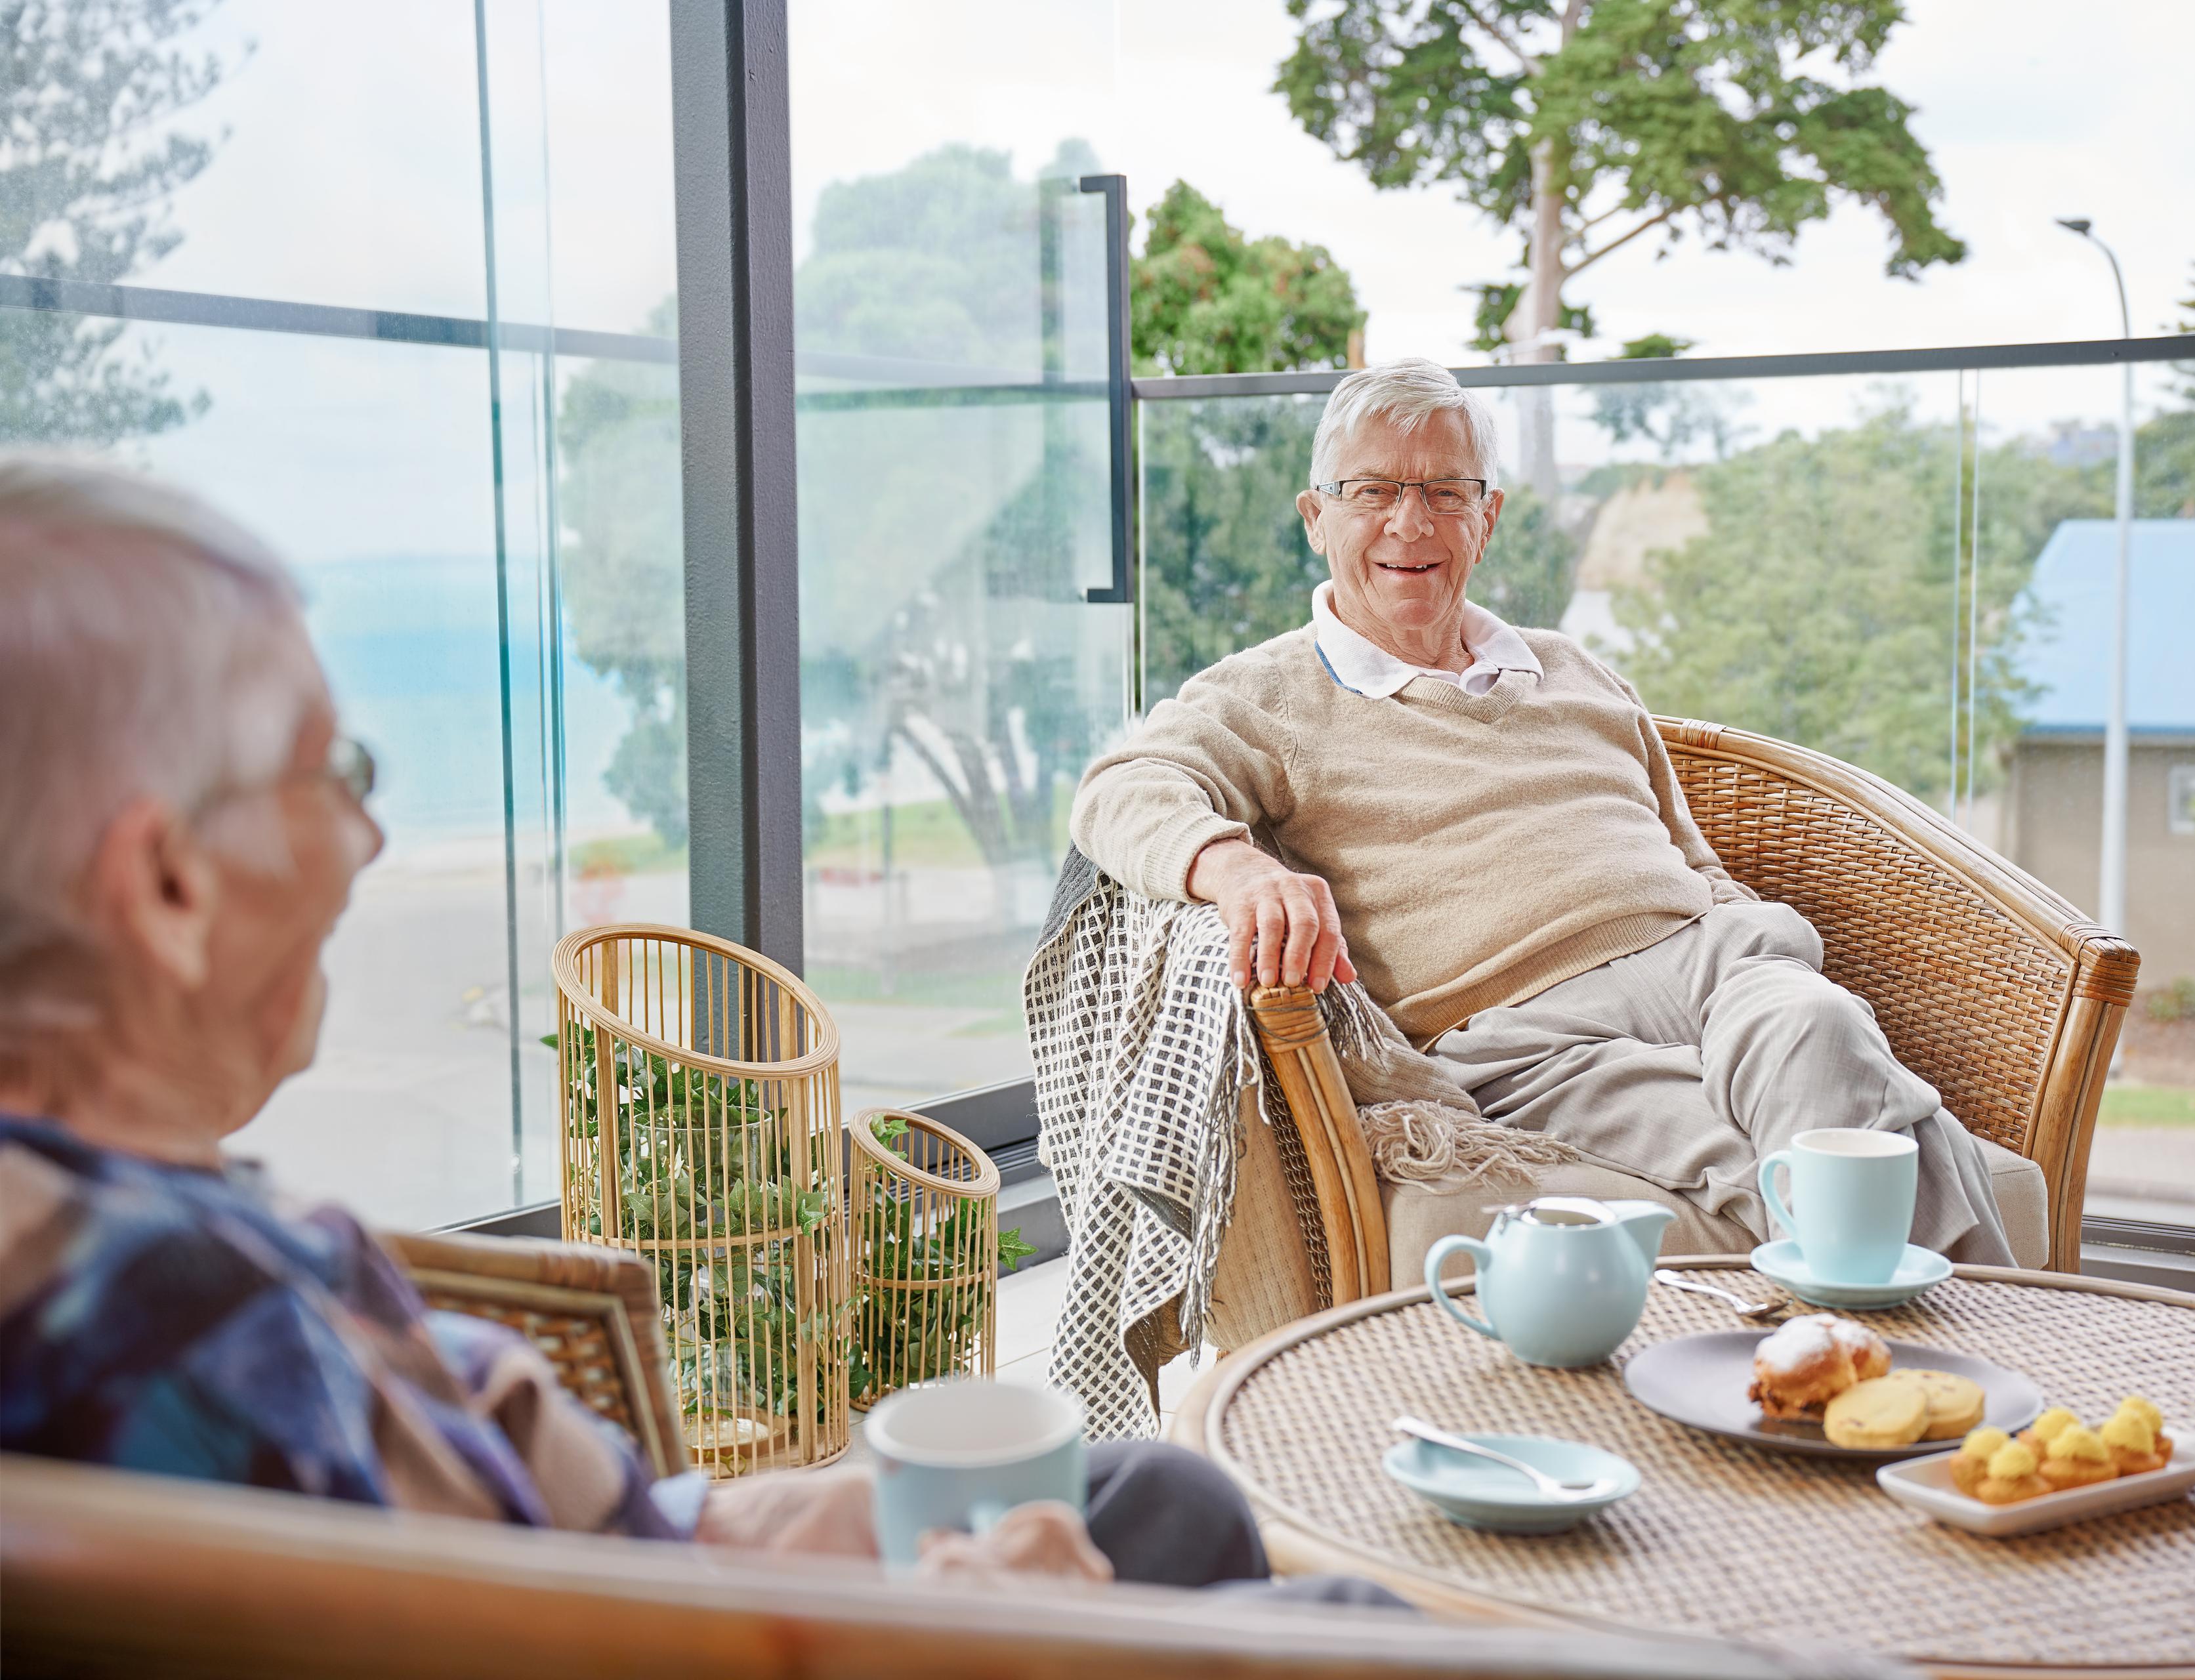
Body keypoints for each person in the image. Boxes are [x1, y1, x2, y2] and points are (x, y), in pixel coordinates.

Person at [0, 452, 1397, 1607]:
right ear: (164, 884)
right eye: (329, 771)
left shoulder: (101, 1215)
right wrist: (979, 1625)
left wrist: (726, 1525)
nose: (366, 834)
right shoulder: (172, 1329)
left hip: (644, 1558)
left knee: (1160, 1488)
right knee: (1347, 1614)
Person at [1069, 359, 2013, 1263]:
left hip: (1716, 965)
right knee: (1846, 1157)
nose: (1411, 521)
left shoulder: (1573, 668)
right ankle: (1963, 1390)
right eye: (1373, 492)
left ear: (1489, 517)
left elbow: (1690, 853)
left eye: (1447, 491)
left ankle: (1871, 1376)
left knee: (1822, 1025)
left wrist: (1732, 928)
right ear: (1317, 518)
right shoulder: (1268, 696)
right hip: (1531, 1034)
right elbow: (1121, 787)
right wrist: (1240, 868)